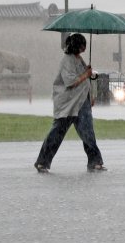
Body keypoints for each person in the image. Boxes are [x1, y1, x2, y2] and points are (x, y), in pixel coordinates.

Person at [34, 33, 105, 172]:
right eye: (83, 45)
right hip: (68, 103)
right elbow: (71, 82)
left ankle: (95, 162)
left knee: (88, 133)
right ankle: (42, 162)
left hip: (81, 101)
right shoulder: (66, 60)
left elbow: (84, 80)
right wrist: (86, 74)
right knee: (57, 133)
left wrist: (90, 91)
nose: (85, 47)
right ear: (77, 46)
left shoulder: (79, 59)